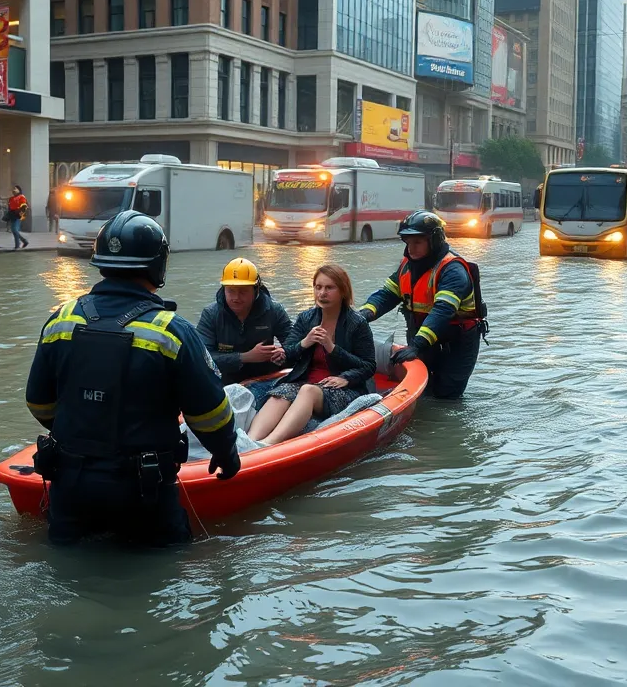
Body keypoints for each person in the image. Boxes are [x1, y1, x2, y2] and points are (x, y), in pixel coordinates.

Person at [24, 210, 240, 546]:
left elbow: (38, 400)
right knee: (160, 579)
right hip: (144, 493)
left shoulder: (60, 320)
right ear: (158, 265)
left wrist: (86, 427)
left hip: (70, 486)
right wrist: (226, 453)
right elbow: (210, 414)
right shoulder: (172, 331)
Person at [358, 210, 484, 399]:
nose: (411, 248)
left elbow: (442, 311)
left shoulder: (453, 270)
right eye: (408, 242)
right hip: (423, 337)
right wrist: (362, 315)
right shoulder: (407, 266)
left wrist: (416, 345)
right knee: (423, 391)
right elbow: (387, 295)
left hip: (456, 343)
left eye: (417, 242)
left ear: (434, 241)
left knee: (446, 396)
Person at [246, 264, 376, 445]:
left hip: (344, 388)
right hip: (307, 381)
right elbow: (288, 354)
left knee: (308, 391)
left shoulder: (357, 323)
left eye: (329, 288)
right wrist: (305, 343)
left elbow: (368, 365)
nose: (322, 293)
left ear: (343, 291)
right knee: (282, 392)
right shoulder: (306, 318)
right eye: (318, 287)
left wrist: (334, 352)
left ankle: (268, 444)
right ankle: (249, 442)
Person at [196, 257, 292, 387]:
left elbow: (294, 343)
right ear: (223, 289)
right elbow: (202, 359)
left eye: (243, 291)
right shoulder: (211, 314)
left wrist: (283, 353)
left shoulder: (274, 310)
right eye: (231, 291)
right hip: (224, 383)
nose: (236, 298)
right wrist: (245, 357)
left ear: (256, 290)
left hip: (265, 379)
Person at [7, 185, 30, 249]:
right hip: (12, 215)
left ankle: (17, 245)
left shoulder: (21, 197)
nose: (13, 190)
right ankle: (23, 241)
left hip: (18, 215)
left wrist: (20, 214)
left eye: (15, 189)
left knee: (14, 229)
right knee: (13, 230)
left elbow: (24, 207)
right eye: (13, 189)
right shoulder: (11, 198)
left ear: (19, 190)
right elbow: (9, 207)